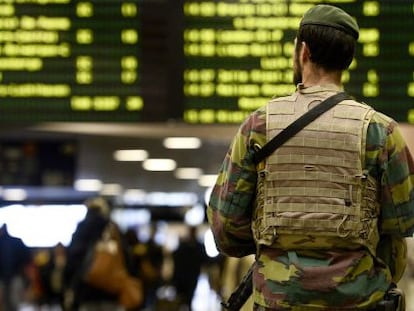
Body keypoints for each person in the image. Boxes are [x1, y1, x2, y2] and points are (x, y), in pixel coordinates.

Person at [207, 4, 414, 311]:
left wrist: (278, 244)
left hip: (279, 301)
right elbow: (404, 221)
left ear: (303, 51)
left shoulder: (259, 126)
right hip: (361, 302)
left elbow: (225, 230)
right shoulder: (380, 131)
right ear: (347, 59)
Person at [63, 197, 131, 311]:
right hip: (112, 288)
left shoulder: (82, 229)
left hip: (87, 288)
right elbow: (126, 258)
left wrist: (68, 284)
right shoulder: (113, 229)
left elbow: (73, 259)